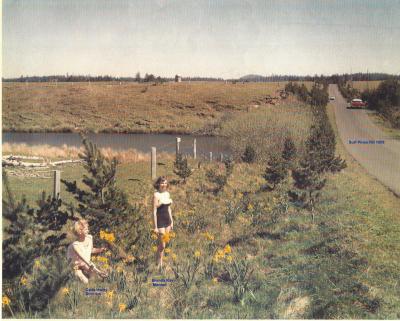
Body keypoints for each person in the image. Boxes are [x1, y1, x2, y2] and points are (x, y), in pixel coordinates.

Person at [67, 219, 108, 284]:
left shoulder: (89, 238)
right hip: (76, 265)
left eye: (87, 228)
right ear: (79, 231)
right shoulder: (76, 245)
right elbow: (85, 259)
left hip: (85, 263)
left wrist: (100, 250)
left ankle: (94, 288)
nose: (88, 230)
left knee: (96, 279)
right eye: (86, 229)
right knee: (85, 281)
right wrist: (98, 271)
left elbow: (91, 250)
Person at [153, 176, 174, 270]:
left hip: (167, 221)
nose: (164, 185)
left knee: (164, 243)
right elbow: (154, 211)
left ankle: (158, 261)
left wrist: (172, 221)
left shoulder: (167, 194)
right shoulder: (156, 195)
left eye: (165, 183)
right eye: (162, 183)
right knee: (162, 245)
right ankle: (159, 264)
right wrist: (155, 227)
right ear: (158, 184)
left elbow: (169, 208)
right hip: (160, 221)